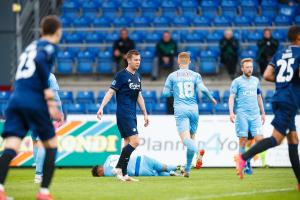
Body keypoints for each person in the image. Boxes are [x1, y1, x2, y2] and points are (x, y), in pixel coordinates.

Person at [0, 15, 62, 200]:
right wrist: (51, 103)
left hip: (15, 100)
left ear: (42, 30)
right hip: (33, 101)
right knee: (51, 145)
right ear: (57, 31)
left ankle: (0, 189)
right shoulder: (49, 48)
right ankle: (43, 192)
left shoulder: (29, 47)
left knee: (11, 146)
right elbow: (43, 72)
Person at [235, 26, 300, 191]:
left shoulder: (280, 53)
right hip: (290, 100)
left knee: (293, 140)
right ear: (298, 37)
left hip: (278, 97)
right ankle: (243, 157)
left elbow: (267, 75)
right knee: (276, 139)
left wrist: (283, 82)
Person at [162, 52, 217, 177]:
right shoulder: (195, 75)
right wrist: (211, 98)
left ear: (178, 62)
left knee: (186, 140)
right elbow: (202, 89)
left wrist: (175, 93)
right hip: (194, 110)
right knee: (192, 138)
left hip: (181, 110)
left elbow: (165, 94)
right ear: (189, 62)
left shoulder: (172, 76)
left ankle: (198, 151)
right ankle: (187, 170)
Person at [97, 50, 149, 182]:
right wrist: (101, 107)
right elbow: (110, 92)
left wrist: (145, 113)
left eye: (139, 60)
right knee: (135, 142)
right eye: (136, 60)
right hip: (124, 113)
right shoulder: (121, 75)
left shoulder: (137, 76)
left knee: (126, 143)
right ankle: (119, 167)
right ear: (128, 60)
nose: (138, 62)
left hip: (133, 114)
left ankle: (123, 174)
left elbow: (139, 96)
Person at [228, 58, 266, 175]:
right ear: (242, 69)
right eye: (247, 67)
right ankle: (244, 166)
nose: (250, 69)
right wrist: (231, 112)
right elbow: (231, 97)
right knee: (243, 141)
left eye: (251, 67)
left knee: (260, 141)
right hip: (242, 115)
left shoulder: (256, 80)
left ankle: (248, 161)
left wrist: (263, 112)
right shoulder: (237, 82)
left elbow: (259, 96)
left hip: (255, 115)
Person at [32, 73, 64, 184]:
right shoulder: (49, 76)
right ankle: (39, 174)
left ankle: (38, 170)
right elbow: (56, 98)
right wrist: (61, 113)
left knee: (35, 141)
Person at [91, 154, 182, 177]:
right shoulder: (109, 156)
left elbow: (119, 174)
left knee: (158, 175)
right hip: (142, 159)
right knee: (163, 166)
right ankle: (181, 167)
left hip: (139, 170)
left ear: (99, 172)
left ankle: (173, 174)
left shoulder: (107, 173)